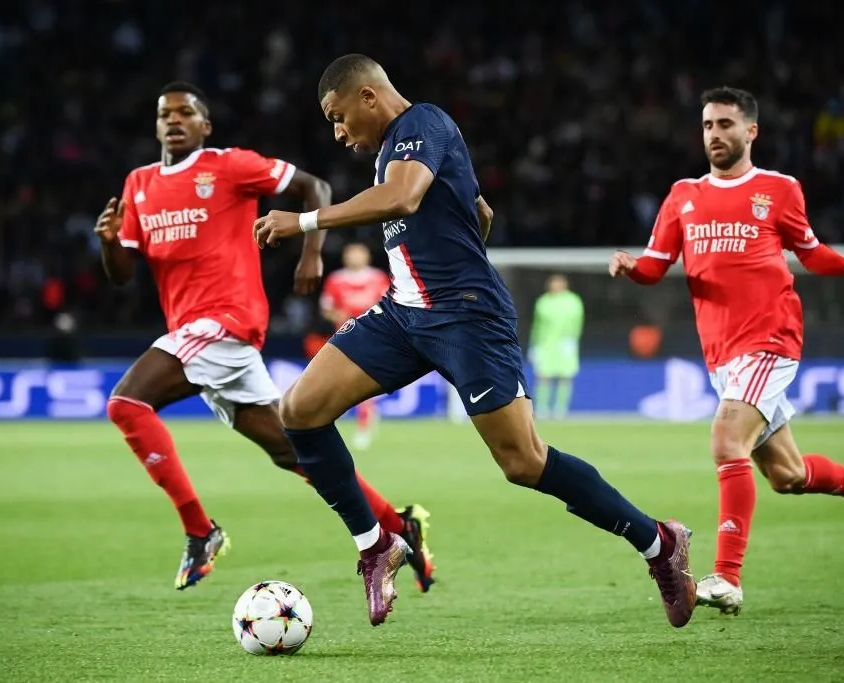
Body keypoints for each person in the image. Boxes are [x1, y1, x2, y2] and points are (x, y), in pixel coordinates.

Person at [253, 54, 696, 628]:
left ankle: (660, 543)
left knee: (523, 462)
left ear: (368, 95)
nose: (339, 133)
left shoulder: (423, 124)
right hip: (405, 311)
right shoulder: (394, 148)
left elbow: (403, 198)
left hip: (466, 317)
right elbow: (480, 212)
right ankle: (376, 543)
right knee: (300, 410)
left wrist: (306, 222)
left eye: (339, 117)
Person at [95, 81, 434, 592]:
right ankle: (398, 524)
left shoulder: (229, 165)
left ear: (205, 126)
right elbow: (121, 274)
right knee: (294, 453)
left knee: (126, 405)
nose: (174, 120)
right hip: (194, 332)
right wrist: (108, 244)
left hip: (226, 320)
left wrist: (311, 252)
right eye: (166, 113)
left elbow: (314, 186)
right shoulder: (139, 184)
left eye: (187, 112)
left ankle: (199, 532)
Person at [609, 86, 844, 615]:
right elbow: (655, 266)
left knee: (724, 441)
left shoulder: (779, 189)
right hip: (722, 352)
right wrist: (632, 267)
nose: (714, 135)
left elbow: (809, 252)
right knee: (786, 476)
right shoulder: (682, 195)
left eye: (724, 124)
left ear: (750, 131)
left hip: (771, 337)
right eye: (707, 126)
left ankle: (728, 578)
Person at [319, 242, 392, 450]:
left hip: (373, 337)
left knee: (361, 381)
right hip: (342, 339)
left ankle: (364, 425)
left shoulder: (378, 278)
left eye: (359, 253)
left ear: (367, 256)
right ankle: (334, 422)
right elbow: (326, 308)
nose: (355, 257)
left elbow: (390, 304)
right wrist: (337, 315)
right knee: (337, 383)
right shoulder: (335, 280)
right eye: (351, 253)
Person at [529, 274, 584, 419]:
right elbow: (538, 325)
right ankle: (542, 408)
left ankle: (560, 409)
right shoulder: (543, 301)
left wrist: (573, 340)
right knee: (543, 376)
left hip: (565, 344)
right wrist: (534, 345)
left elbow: (578, 322)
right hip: (546, 344)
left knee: (565, 376)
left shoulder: (573, 301)